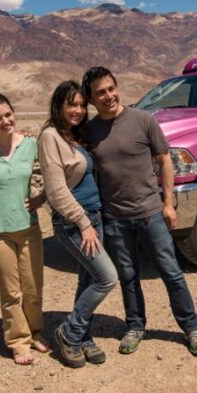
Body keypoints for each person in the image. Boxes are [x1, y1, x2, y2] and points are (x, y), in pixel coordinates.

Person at [81, 66, 197, 356]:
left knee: (171, 271)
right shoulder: (91, 131)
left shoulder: (142, 119)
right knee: (128, 275)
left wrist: (167, 204)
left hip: (150, 212)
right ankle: (135, 326)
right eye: (100, 92)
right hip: (115, 218)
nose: (108, 96)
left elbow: (164, 160)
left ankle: (191, 327)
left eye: (111, 88)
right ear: (91, 99)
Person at [38, 81, 118, 368]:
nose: (79, 110)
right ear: (59, 105)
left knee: (87, 279)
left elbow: (64, 180)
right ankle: (69, 332)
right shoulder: (50, 136)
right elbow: (58, 189)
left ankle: (84, 337)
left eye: (82, 105)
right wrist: (83, 223)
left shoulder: (74, 136)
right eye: (72, 104)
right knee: (106, 277)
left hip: (93, 215)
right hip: (74, 221)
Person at [0, 93, 48, 365]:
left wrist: (44, 197)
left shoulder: (30, 145)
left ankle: (35, 333)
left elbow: (56, 169)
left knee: (33, 287)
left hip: (28, 227)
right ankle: (18, 341)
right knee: (11, 291)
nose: (5, 121)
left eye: (8, 115)